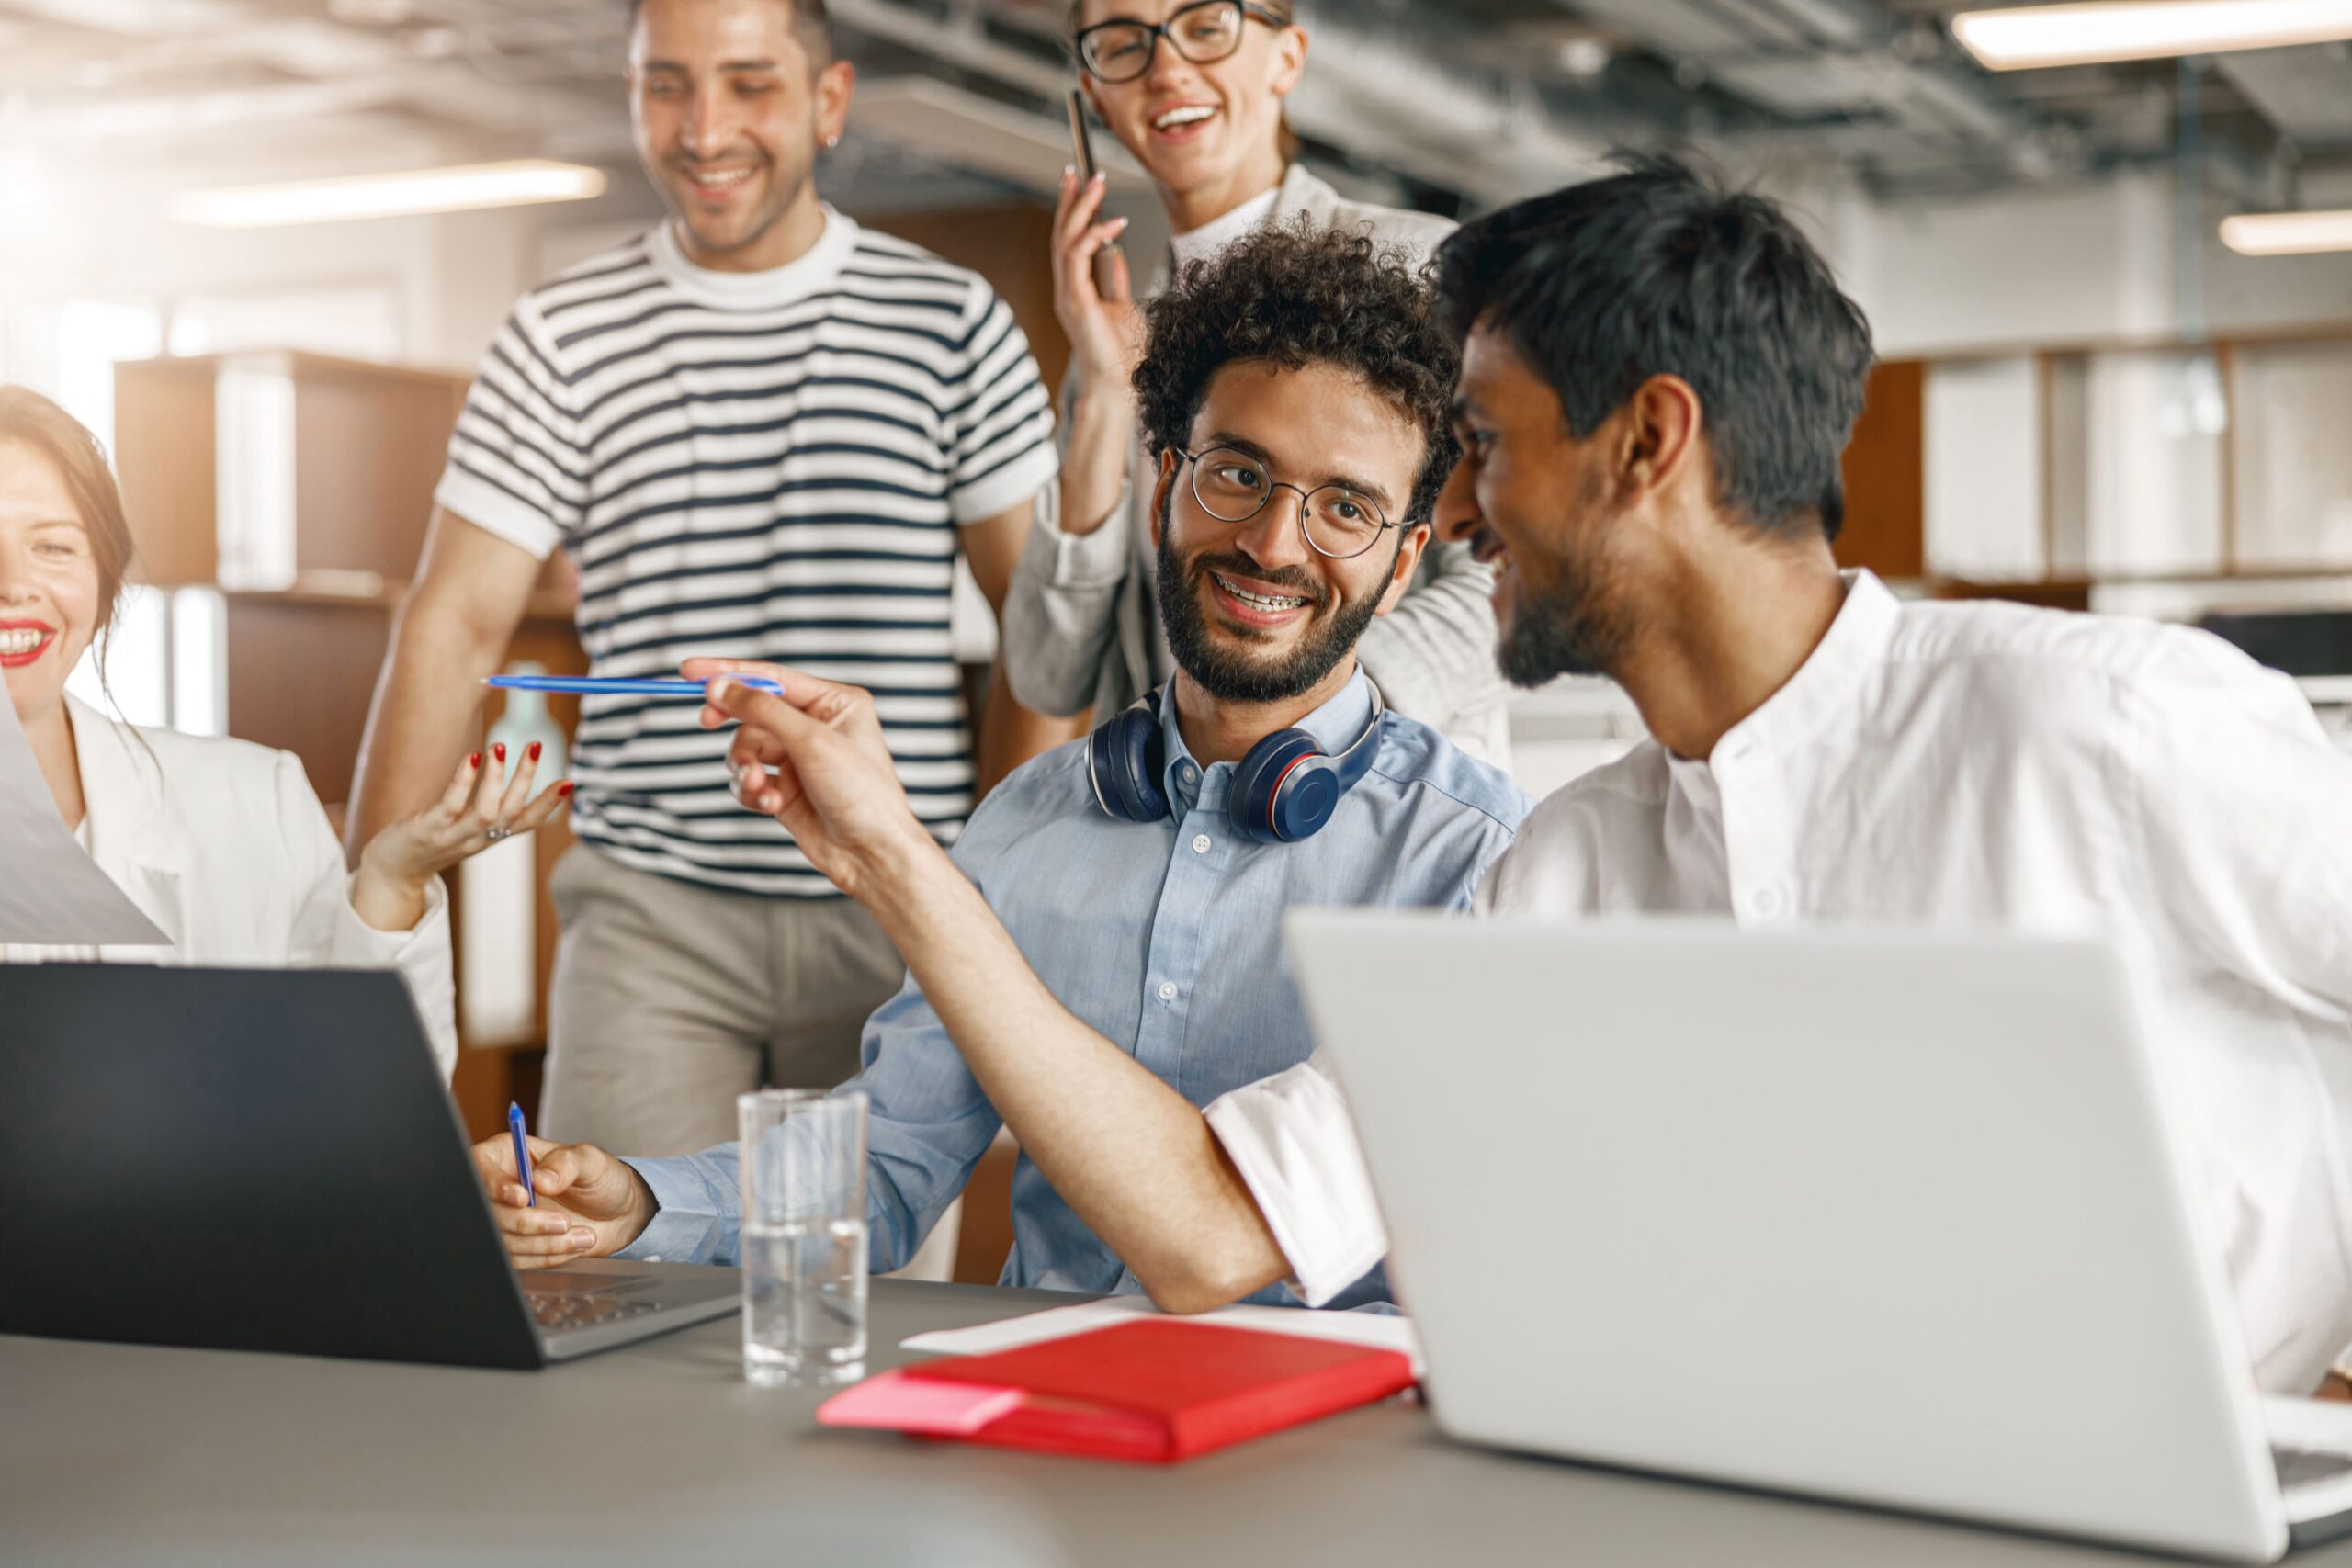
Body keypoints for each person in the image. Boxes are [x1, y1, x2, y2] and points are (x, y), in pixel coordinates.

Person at [922, 156, 2352, 1392]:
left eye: (1481, 442)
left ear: (1648, 442)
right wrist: (894, 856)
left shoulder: (2099, 724)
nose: (1458, 511)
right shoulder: (1572, 872)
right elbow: (1218, 1227)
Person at [467, 227, 1530, 1308]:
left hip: (1328, 1444)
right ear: (1164, 484)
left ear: (1402, 566)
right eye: (1237, 473)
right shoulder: (1030, 822)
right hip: (1047, 1420)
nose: (1272, 543)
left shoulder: (1478, 862)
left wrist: (891, 857)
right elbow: (886, 1166)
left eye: (1345, 507)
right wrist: (643, 1200)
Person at [344, 0, 1070, 1156]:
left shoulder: (953, 325)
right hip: (651, 913)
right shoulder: (558, 335)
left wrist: (981, 884)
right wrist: (362, 934)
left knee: (859, 1304)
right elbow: (453, 620)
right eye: (666, 84)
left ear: (829, 103)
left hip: (889, 894)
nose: (703, 126)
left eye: (748, 84)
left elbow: (1044, 631)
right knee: (613, 1281)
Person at [0, 387, 562, 1079]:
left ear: (105, 578)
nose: (13, 584)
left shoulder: (255, 799)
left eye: (54, 547)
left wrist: (391, 880)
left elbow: (367, 1102)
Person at [1001, 0, 1510, 762]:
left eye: (1205, 27)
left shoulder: (1424, 271)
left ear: (1287, 57)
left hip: (1380, 813)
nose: (1167, 68)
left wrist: (1275, 733)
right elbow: (1048, 674)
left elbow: (1514, 577)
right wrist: (1107, 389)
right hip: (1174, 829)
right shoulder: (1112, 334)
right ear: (1094, 89)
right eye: (1123, 42)